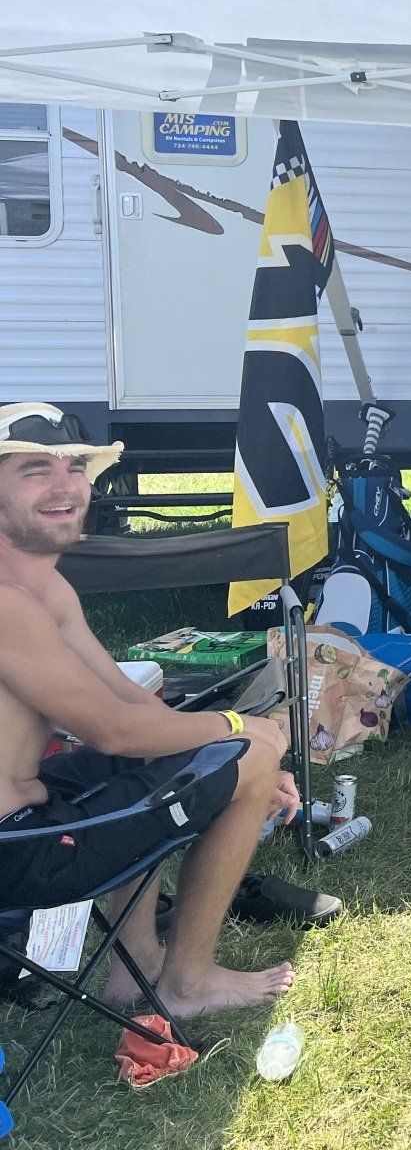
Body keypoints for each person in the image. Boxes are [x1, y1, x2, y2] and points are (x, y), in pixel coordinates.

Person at [0, 403, 310, 1015]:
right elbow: (113, 730)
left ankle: (135, 967)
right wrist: (241, 736)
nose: (65, 487)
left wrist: (227, 751)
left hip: (28, 809)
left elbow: (124, 696)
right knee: (236, 753)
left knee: (202, 755)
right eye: (35, 470)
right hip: (14, 851)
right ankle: (186, 985)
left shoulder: (43, 587)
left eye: (75, 467)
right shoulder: (7, 603)